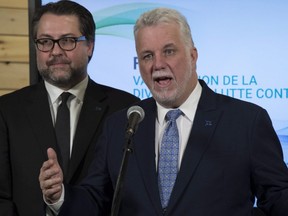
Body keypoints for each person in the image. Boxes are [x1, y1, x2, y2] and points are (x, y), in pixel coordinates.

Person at [39, 7, 288, 216]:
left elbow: (278, 199)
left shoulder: (246, 121)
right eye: (147, 56)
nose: (158, 64)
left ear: (193, 55)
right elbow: (95, 200)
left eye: (169, 51)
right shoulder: (121, 126)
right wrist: (60, 194)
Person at [0, 1, 140, 216]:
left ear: (90, 45)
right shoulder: (7, 111)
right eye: (45, 42)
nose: (55, 51)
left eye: (67, 41)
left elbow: (131, 195)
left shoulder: (125, 109)